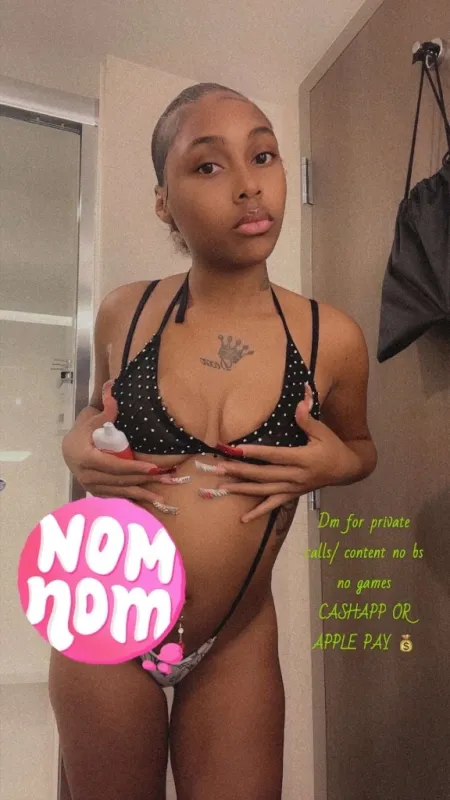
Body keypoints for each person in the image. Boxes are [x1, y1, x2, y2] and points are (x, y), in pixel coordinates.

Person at [49, 82, 377, 800]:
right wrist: (73, 446)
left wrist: (335, 464)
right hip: (104, 609)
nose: (249, 184)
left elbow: (360, 449)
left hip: (235, 637)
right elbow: (94, 419)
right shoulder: (125, 312)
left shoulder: (331, 337)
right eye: (207, 165)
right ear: (163, 202)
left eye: (263, 155)